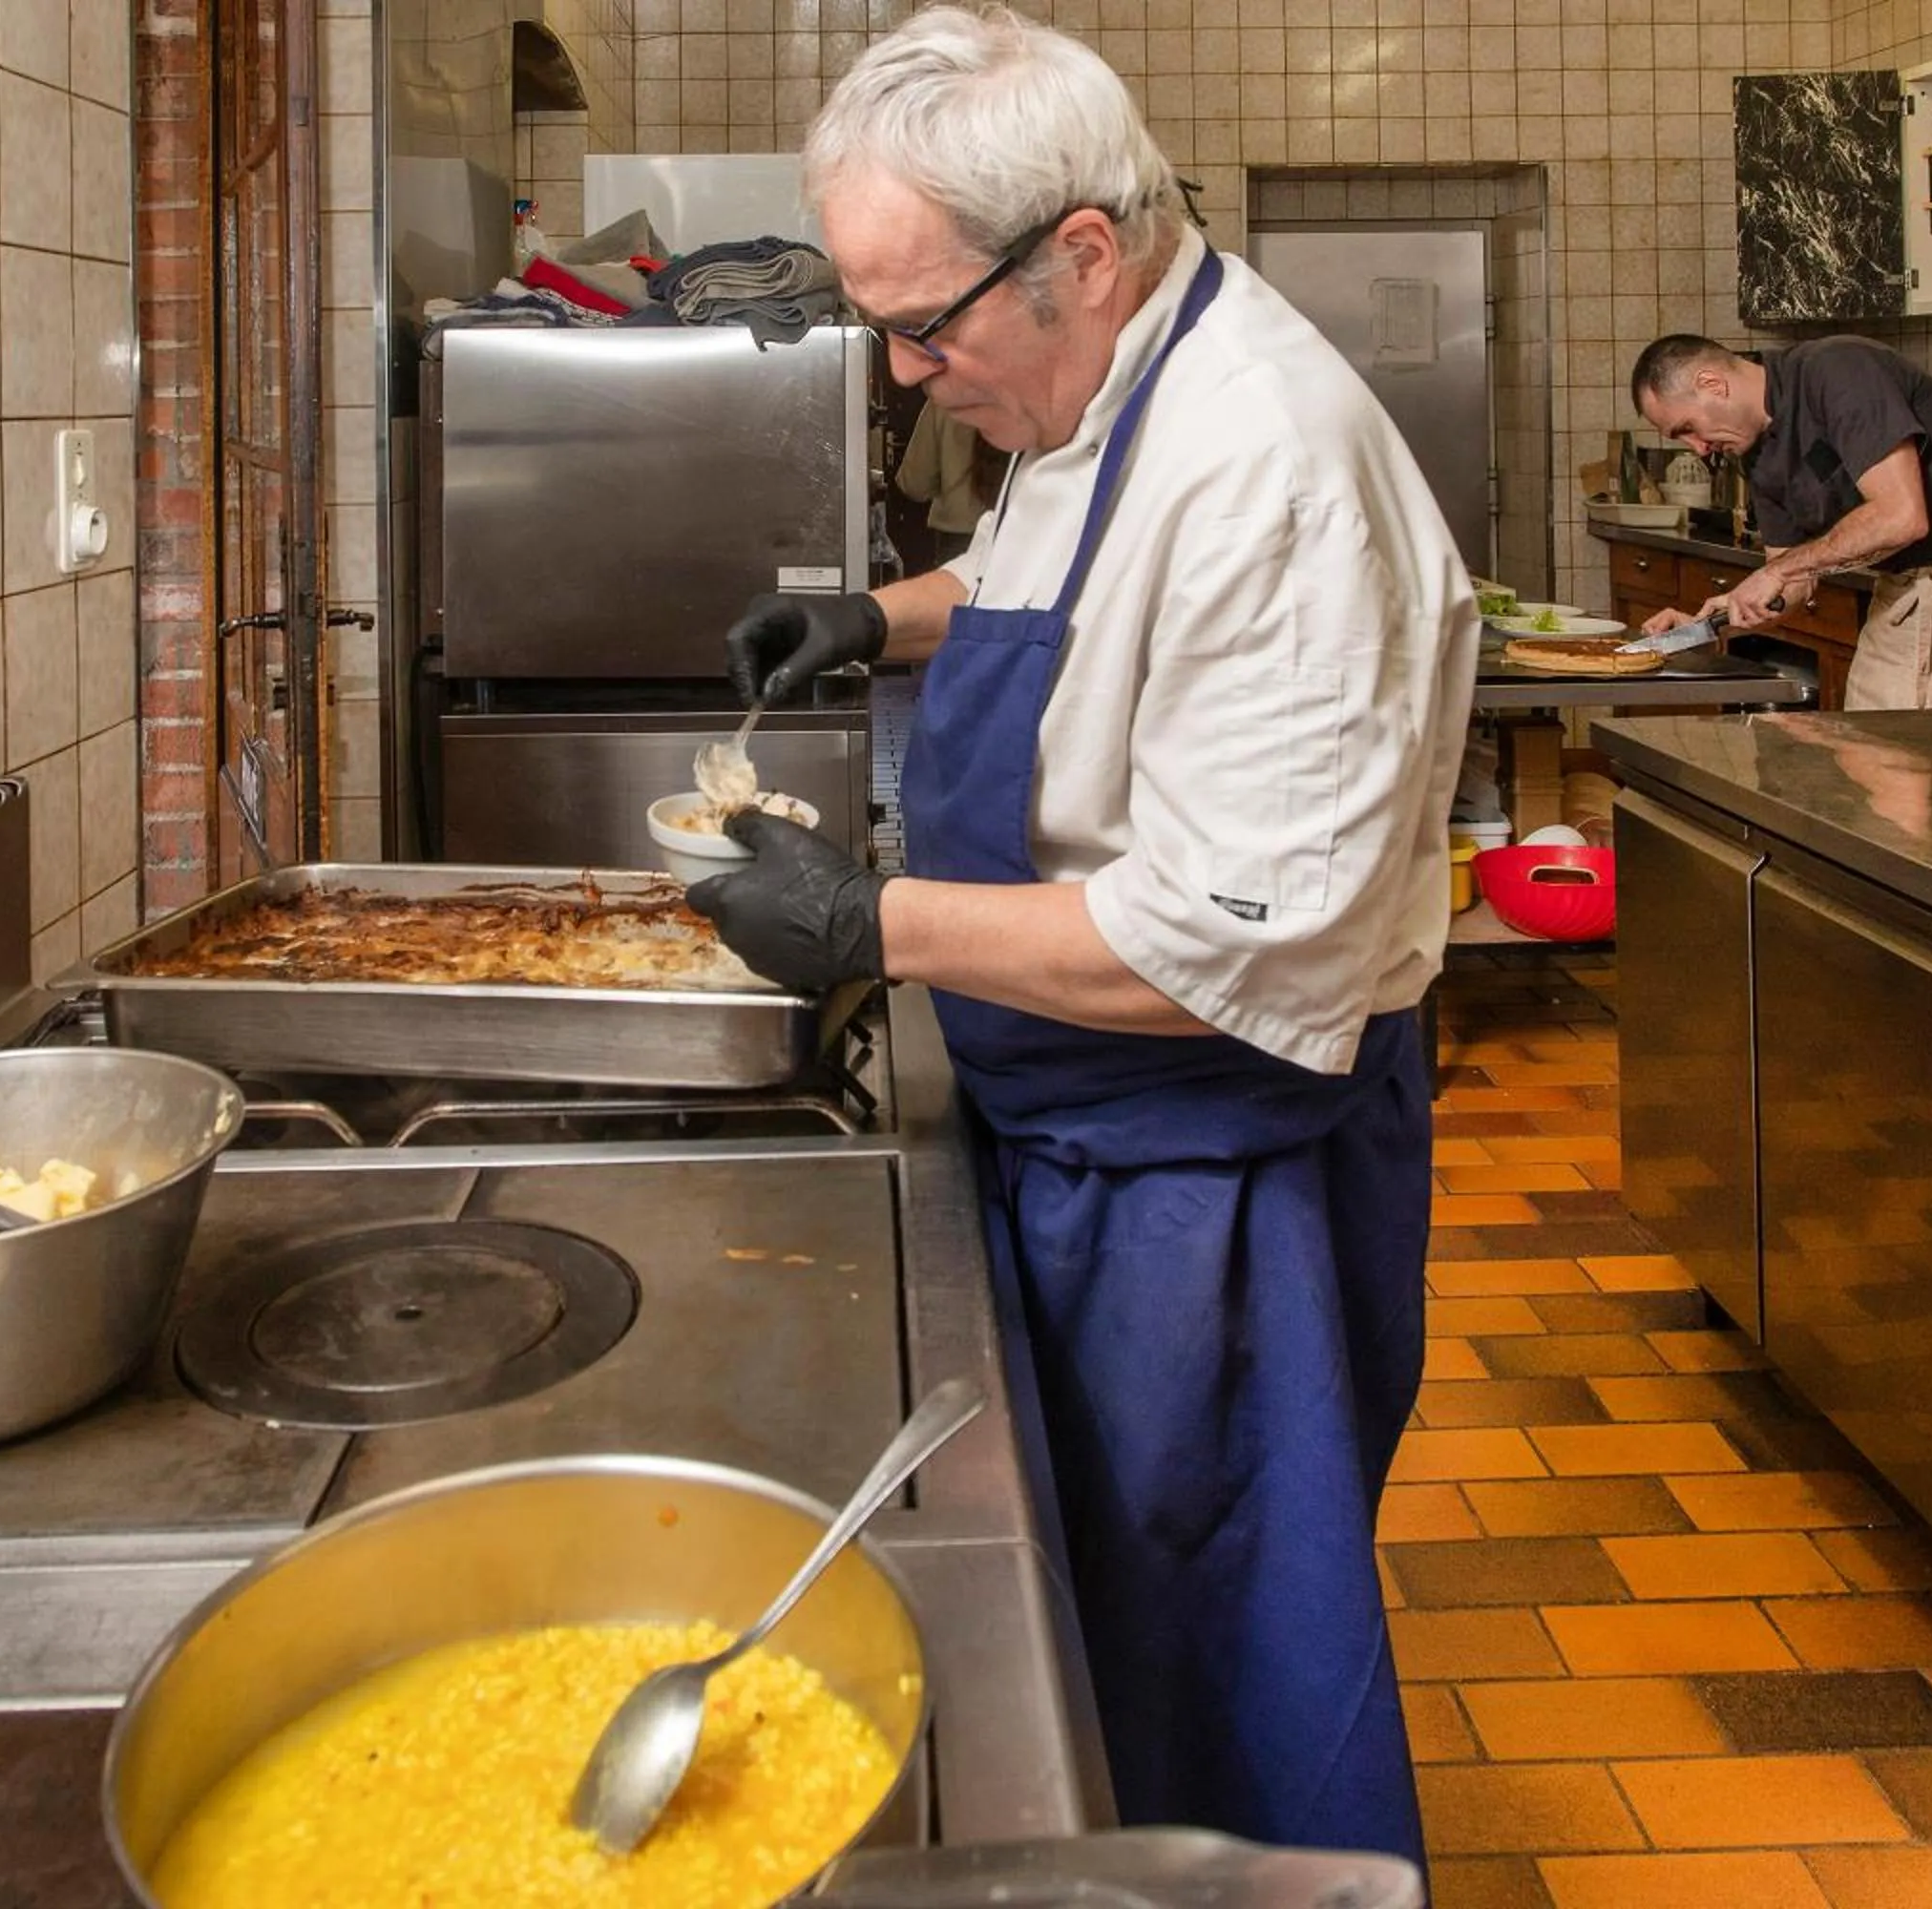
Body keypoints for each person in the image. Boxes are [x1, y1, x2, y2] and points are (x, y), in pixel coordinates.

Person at [682, 4, 1478, 1867]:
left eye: (922, 327)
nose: (904, 374)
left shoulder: (1275, 468)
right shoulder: (1103, 379)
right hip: (1086, 1134)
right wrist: (879, 617)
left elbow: (1226, 943)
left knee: (1220, 1666)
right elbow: (1050, 569)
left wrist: (867, 921)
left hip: (1212, 1186)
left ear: (1085, 254)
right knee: (1099, 1646)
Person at [1630, 333, 1932, 716]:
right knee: (1872, 756)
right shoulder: (1753, 452)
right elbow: (1792, 580)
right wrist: (1716, 621)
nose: (1698, 448)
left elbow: (1901, 516)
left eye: (1688, 428)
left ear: (1711, 383)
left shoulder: (1839, 369)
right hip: (1900, 590)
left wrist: (1779, 572)